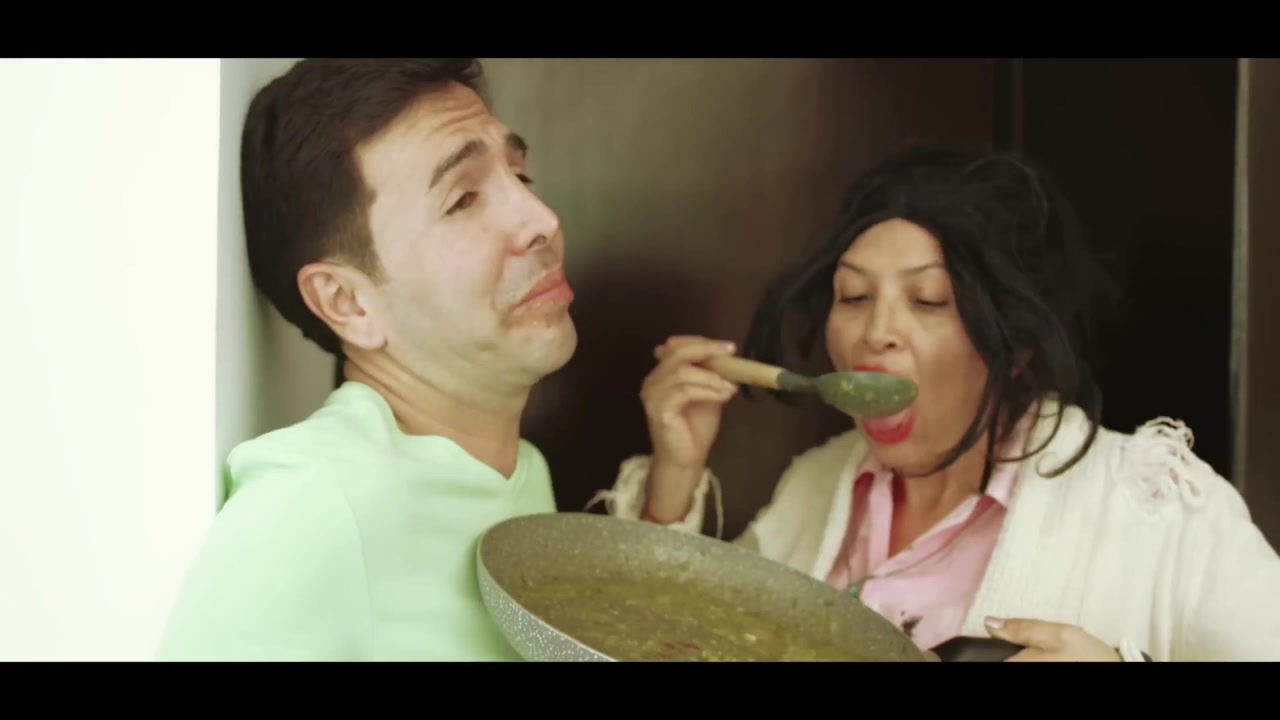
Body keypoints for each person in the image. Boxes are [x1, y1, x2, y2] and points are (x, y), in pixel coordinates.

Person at [589, 146, 1280, 661]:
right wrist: (675, 475)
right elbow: (672, 645)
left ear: (1015, 344)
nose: (875, 331)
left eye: (928, 301)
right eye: (854, 296)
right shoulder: (815, 488)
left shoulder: (1156, 507)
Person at [156, 58, 576, 661]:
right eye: (463, 199)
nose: (542, 221)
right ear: (347, 302)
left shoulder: (522, 472)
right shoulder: (310, 505)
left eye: (521, 175)